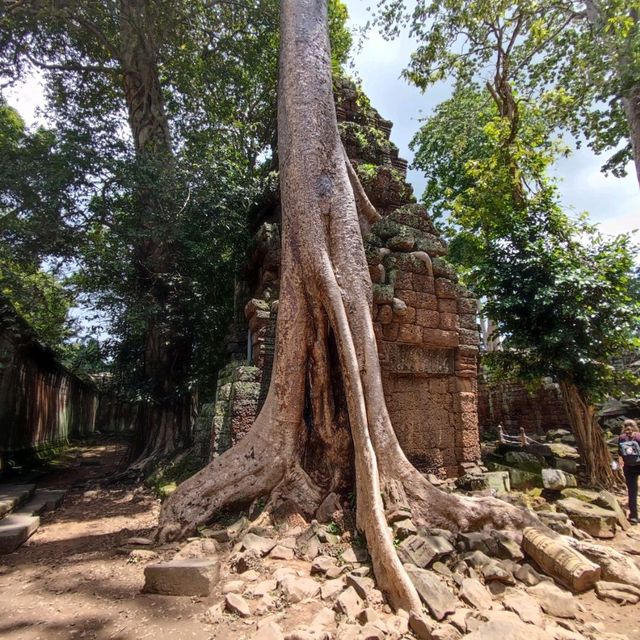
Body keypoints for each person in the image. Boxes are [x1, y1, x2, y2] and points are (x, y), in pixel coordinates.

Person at [618, 418, 640, 524]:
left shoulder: (621, 438)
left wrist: (617, 466)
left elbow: (620, 454)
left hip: (628, 467)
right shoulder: (639, 436)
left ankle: (633, 517)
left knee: (632, 492)